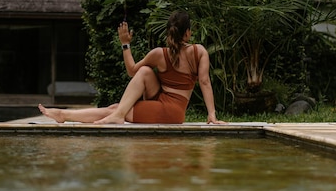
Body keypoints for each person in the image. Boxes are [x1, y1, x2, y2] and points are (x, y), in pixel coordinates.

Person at [38, 10, 224, 125]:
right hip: (167, 105)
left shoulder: (159, 53)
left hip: (170, 111)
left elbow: (130, 71)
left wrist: (125, 44)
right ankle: (72, 115)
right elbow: (205, 82)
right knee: (138, 79)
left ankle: (64, 114)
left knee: (116, 109)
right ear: (188, 32)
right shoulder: (199, 51)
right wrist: (212, 114)